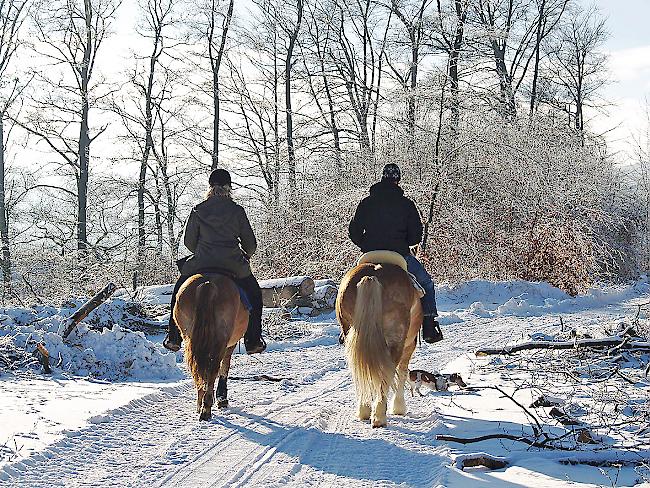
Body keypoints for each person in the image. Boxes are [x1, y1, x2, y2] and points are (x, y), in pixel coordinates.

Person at [163, 168, 266, 354]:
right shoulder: (237, 211)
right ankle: (253, 340)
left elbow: (189, 242)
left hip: (201, 262)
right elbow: (251, 244)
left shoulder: (198, 209)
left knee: (179, 291)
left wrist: (203, 252)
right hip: (232, 264)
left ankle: (174, 337)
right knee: (255, 295)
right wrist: (245, 254)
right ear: (229, 188)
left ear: (210, 187)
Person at [348, 163, 442, 343]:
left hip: (370, 255)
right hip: (398, 255)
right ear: (398, 181)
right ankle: (429, 326)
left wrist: (366, 244)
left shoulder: (367, 202)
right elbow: (416, 236)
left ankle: (347, 326)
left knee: (348, 285)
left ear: (382, 178)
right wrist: (402, 243)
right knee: (427, 285)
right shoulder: (406, 204)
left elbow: (353, 231)